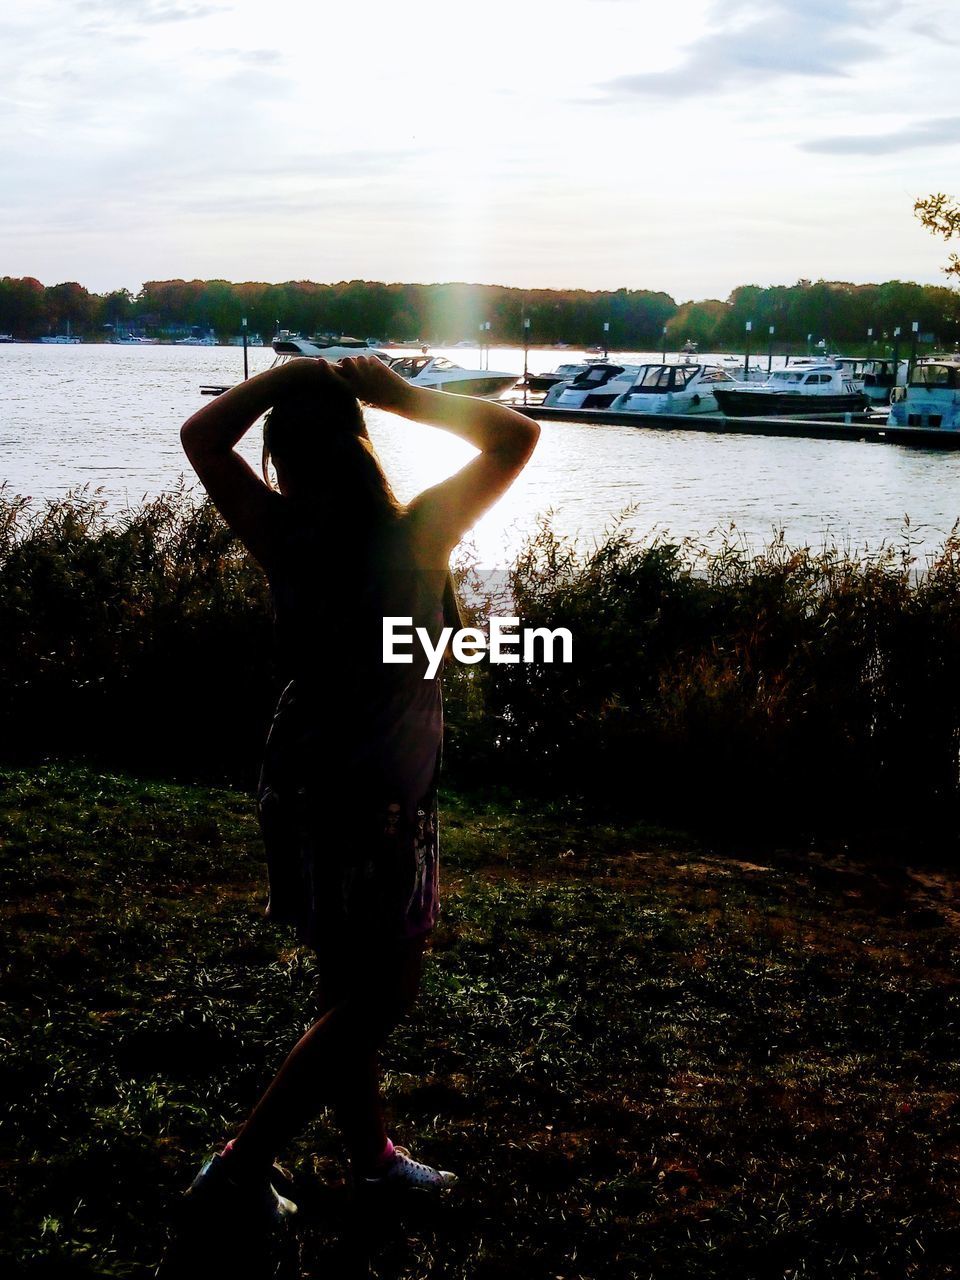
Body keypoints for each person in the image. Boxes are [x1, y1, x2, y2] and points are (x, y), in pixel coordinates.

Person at [174, 353, 539, 1258]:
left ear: (284, 464)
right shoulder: (416, 533)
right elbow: (517, 434)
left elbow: (199, 434)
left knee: (346, 988)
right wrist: (399, 394)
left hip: (302, 781)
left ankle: (370, 1159)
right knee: (380, 994)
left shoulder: (280, 532)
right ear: (361, 446)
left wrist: (287, 376)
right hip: (369, 796)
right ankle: (238, 1169)